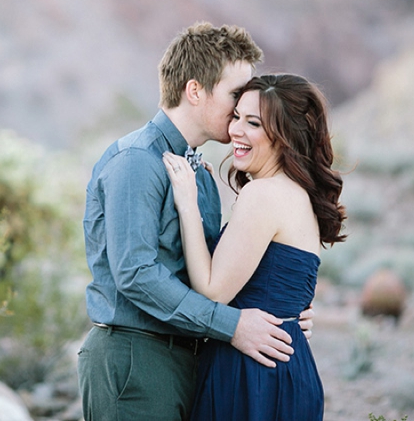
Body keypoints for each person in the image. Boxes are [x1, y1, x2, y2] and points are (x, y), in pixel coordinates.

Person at [78, 23, 315, 421]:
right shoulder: (137, 162)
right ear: (194, 91)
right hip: (136, 360)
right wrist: (234, 325)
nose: (242, 110)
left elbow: (209, 275)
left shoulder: (200, 175)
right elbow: (135, 274)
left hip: (191, 360)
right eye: (235, 95)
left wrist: (284, 312)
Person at [162, 73, 346, 420]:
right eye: (236, 117)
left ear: (285, 136)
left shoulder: (262, 194)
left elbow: (213, 291)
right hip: (289, 368)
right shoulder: (300, 196)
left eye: (254, 123)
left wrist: (188, 202)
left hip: (251, 373)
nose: (235, 131)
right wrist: (294, 319)